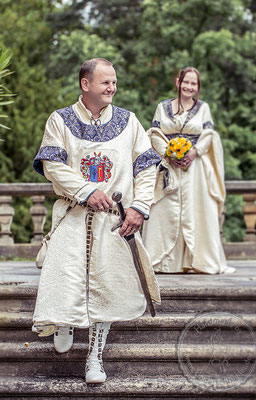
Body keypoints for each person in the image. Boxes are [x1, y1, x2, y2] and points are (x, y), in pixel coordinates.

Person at [32, 58, 161, 383]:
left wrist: (140, 207)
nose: (112, 87)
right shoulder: (59, 120)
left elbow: (145, 168)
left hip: (115, 220)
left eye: (114, 82)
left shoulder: (129, 121)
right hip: (72, 215)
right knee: (65, 275)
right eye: (105, 82)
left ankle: (95, 358)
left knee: (108, 289)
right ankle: (64, 321)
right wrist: (87, 190)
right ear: (85, 84)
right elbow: (53, 166)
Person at [142, 66, 235, 274]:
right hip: (169, 167)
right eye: (186, 82)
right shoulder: (162, 107)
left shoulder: (203, 108)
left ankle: (195, 261)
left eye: (194, 83)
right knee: (164, 211)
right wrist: (168, 153)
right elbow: (154, 133)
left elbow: (209, 134)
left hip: (195, 170)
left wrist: (194, 152)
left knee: (195, 210)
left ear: (197, 87)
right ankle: (162, 261)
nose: (189, 87)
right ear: (178, 82)